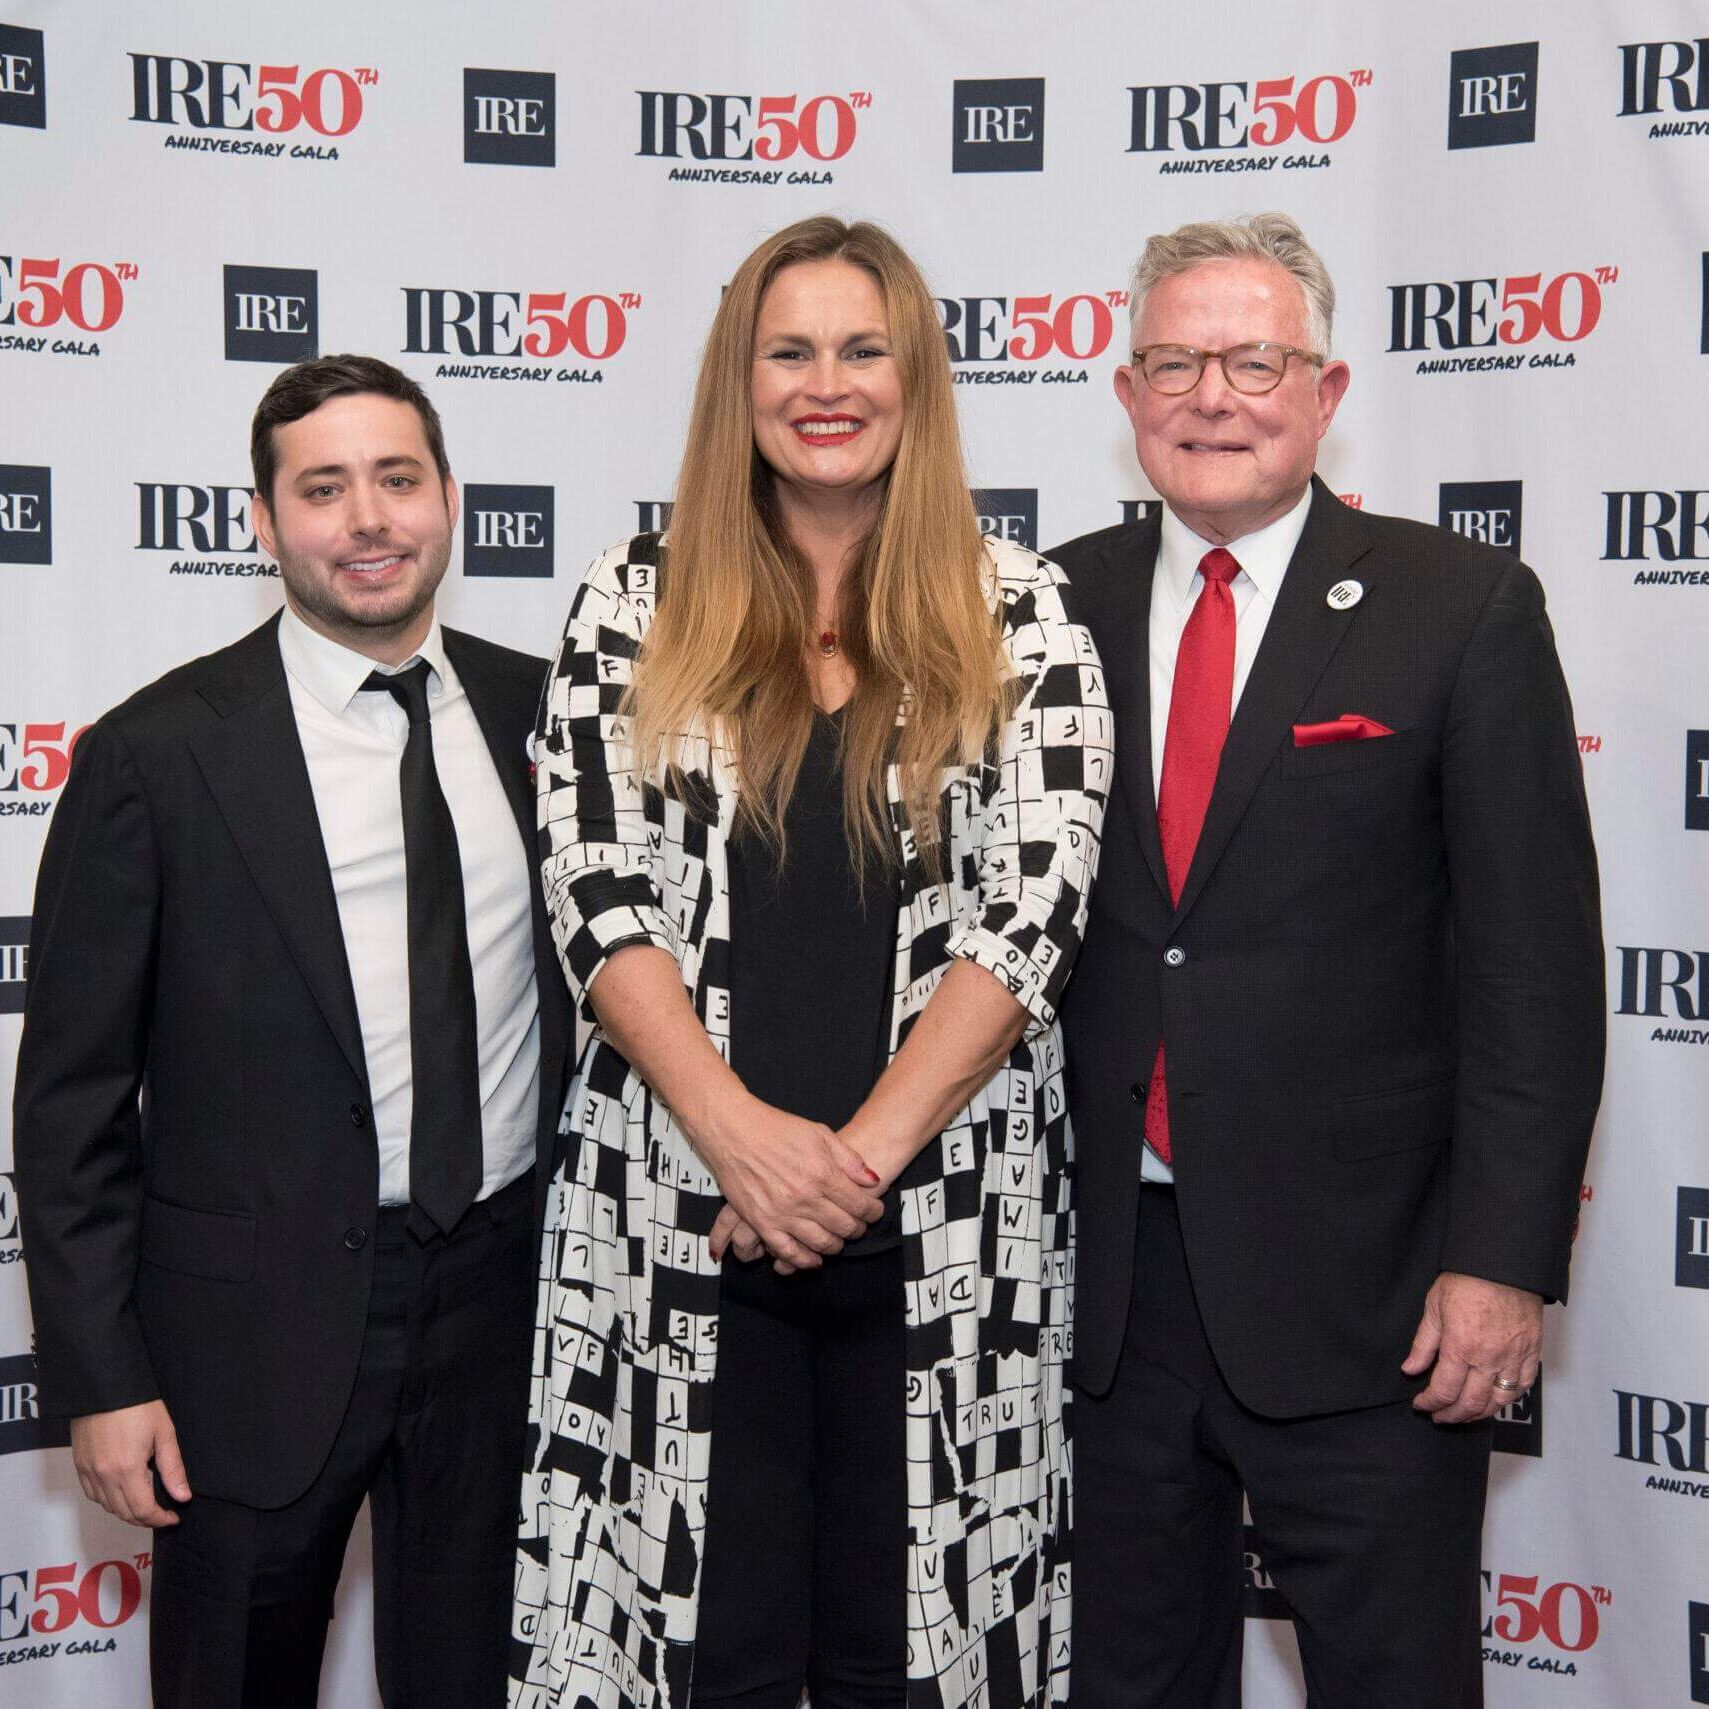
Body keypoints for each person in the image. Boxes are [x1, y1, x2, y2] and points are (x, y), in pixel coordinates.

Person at [512, 216, 1107, 1709]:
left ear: (916, 379)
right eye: (789, 350)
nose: (824, 382)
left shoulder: (1020, 608)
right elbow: (596, 890)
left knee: (915, 1657)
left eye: (862, 348)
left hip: (953, 1227)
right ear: (739, 381)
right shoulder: (629, 603)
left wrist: (842, 1168)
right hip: (674, 1218)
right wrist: (739, 1144)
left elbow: (1026, 913)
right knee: (687, 1652)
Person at [1049, 213, 1603, 1706]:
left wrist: (1498, 1261)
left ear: (1325, 387)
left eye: (1252, 359)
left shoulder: (1456, 607)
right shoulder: (1037, 610)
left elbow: (1531, 977)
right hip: (1103, 1297)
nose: (1210, 394)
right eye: (1173, 359)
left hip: (1370, 1299)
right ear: (1124, 393)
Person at [14, 354, 572, 1707]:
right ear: (262, 523)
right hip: (244, 1342)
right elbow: (70, 1099)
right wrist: (102, 1377)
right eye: (322, 489)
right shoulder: (157, 753)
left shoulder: (545, 716)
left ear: (450, 499)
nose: (366, 518)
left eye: (396, 479)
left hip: (501, 1308)